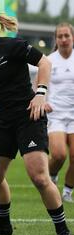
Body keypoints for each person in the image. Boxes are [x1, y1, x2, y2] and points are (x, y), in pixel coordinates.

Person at [0, 9, 71, 235]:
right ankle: (3, 225)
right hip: (2, 121)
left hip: (28, 117)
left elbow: (44, 62)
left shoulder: (13, 46)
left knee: (40, 177)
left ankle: (62, 231)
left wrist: (40, 93)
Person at [46, 23, 74, 203]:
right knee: (58, 155)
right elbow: (39, 85)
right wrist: (43, 100)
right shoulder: (49, 60)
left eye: (67, 36)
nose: (63, 39)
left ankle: (67, 192)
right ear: (56, 39)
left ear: (73, 37)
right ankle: (50, 177)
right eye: (60, 36)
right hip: (55, 114)